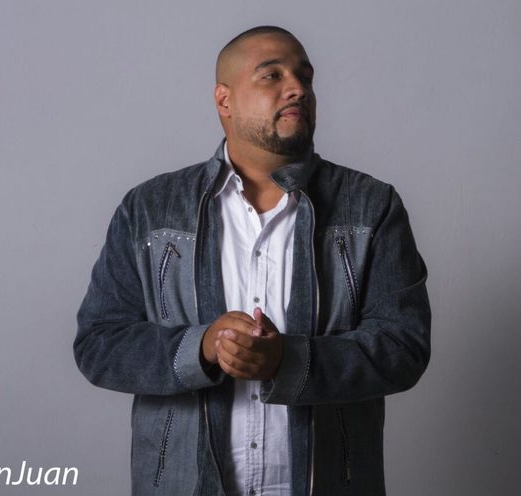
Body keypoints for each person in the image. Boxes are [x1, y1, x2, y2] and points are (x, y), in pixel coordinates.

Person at [74, 25, 431, 496]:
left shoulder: (370, 206)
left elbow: (403, 347)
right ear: (224, 100)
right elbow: (99, 344)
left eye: (305, 76)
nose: (298, 88)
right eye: (272, 75)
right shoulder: (149, 209)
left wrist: (287, 360)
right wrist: (202, 347)